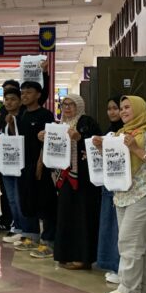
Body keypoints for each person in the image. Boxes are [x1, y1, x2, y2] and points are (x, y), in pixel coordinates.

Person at [92, 96, 146, 293]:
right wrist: (102, 149)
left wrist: (136, 149)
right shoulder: (120, 134)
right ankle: (144, 288)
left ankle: (129, 290)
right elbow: (115, 164)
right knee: (138, 245)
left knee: (128, 242)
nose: (124, 111)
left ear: (139, 109)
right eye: (122, 108)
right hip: (123, 195)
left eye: (128, 107)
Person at [44, 94, 101, 269]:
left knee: (82, 216)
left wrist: (79, 139)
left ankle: (83, 258)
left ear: (79, 106)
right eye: (64, 104)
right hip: (64, 177)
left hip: (84, 179)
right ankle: (65, 254)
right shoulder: (59, 125)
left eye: (71, 104)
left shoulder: (87, 122)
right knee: (65, 215)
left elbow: (97, 145)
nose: (67, 108)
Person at [13, 81, 57, 259]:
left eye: (28, 92)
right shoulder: (22, 114)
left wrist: (40, 164)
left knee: (45, 203)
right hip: (24, 165)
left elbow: (47, 141)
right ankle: (32, 236)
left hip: (41, 166)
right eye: (22, 93)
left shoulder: (45, 115)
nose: (24, 96)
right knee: (28, 201)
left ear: (38, 95)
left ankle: (48, 242)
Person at [0, 88, 39, 245]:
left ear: (20, 101)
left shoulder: (23, 117)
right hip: (6, 163)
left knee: (22, 198)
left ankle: (30, 231)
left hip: (22, 165)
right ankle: (19, 228)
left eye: (13, 99)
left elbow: (23, 138)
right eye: (6, 99)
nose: (9, 102)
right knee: (12, 199)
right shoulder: (2, 118)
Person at [97, 96, 123, 282]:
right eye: (110, 108)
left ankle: (121, 267)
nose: (112, 112)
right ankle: (112, 264)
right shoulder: (109, 131)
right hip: (108, 184)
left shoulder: (129, 131)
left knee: (122, 228)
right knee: (110, 224)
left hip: (123, 186)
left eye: (116, 108)